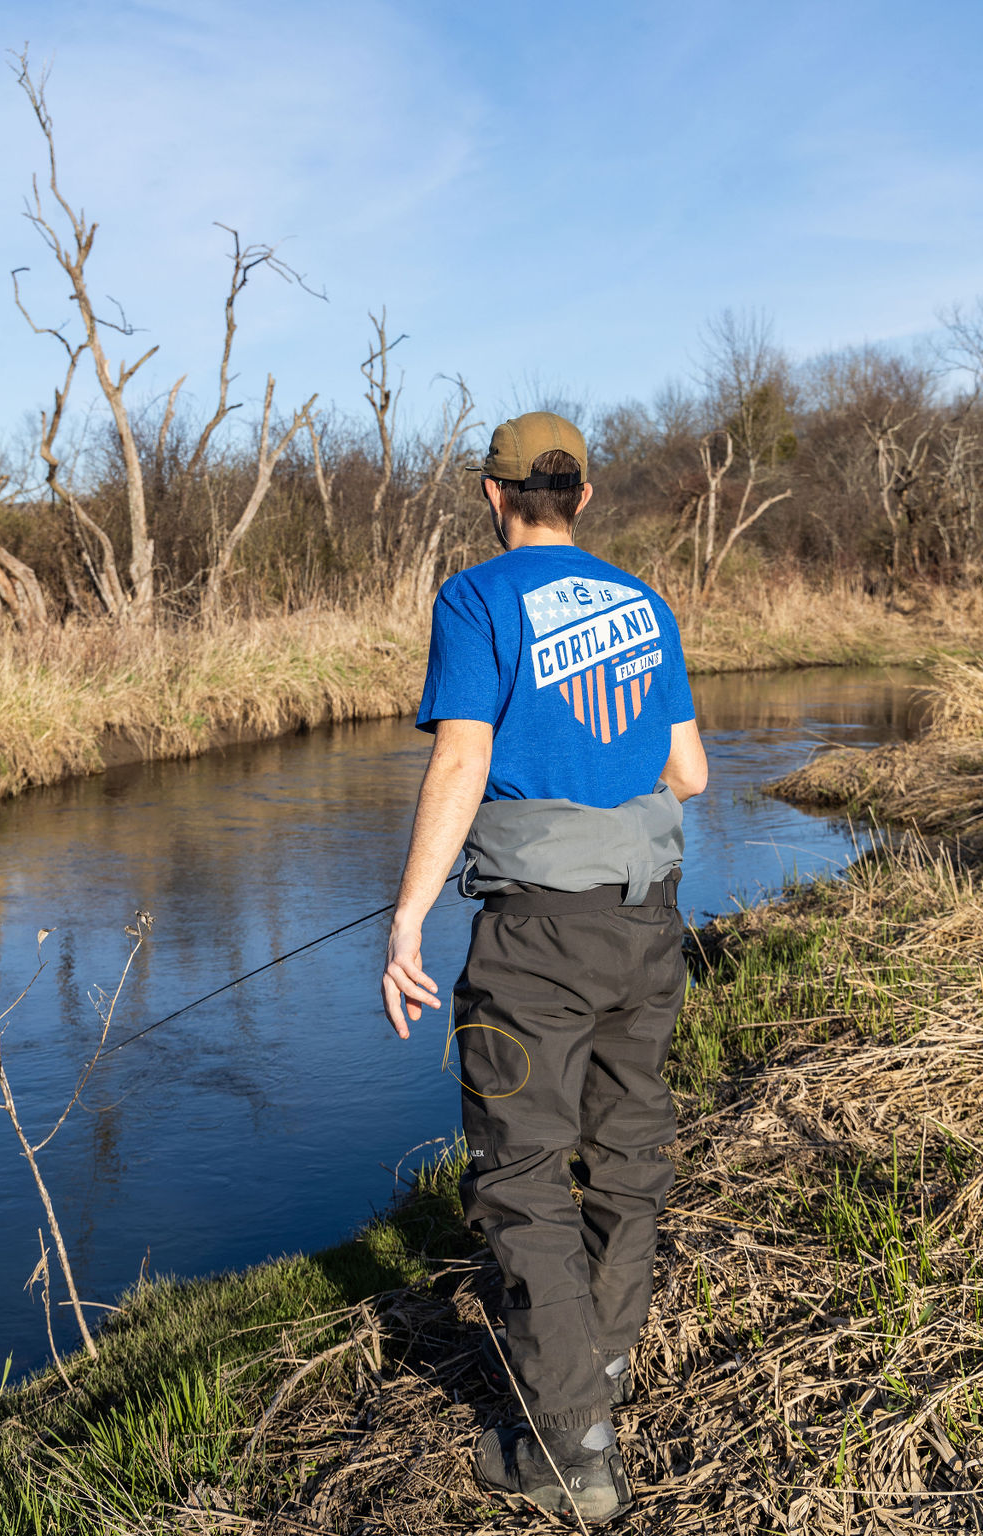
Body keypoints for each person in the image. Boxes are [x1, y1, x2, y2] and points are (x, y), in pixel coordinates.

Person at [381, 411, 707, 1524]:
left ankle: (569, 1449)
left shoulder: (475, 599)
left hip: (536, 940)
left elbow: (465, 755)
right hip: (649, 924)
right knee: (626, 1155)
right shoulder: (643, 602)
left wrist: (409, 915)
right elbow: (691, 770)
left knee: (521, 1175)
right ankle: (597, 1373)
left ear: (492, 494)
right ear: (581, 496)